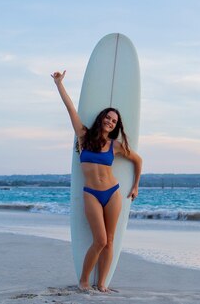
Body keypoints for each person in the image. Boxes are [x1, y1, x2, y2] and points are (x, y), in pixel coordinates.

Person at [52, 70, 142, 293]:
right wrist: (58, 83)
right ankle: (83, 281)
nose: (110, 122)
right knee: (100, 240)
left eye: (114, 121)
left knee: (110, 240)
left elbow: (138, 160)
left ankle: (101, 284)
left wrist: (136, 185)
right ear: (102, 118)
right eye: (108, 118)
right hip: (91, 193)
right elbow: (70, 108)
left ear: (116, 125)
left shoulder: (115, 146)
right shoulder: (83, 136)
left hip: (112, 192)